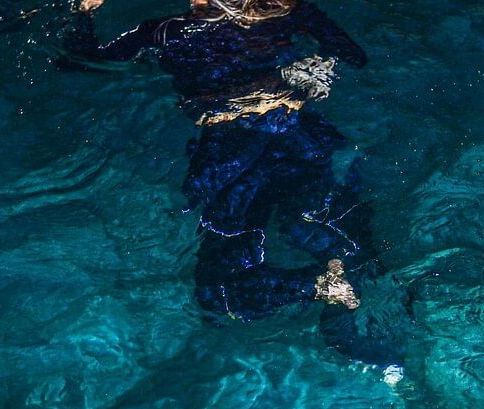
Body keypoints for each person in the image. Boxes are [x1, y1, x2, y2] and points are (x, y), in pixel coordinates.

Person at [60, 0, 407, 369]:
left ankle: (318, 286)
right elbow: (354, 56)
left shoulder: (167, 32)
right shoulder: (290, 12)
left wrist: (82, 13)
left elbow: (78, 61)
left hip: (231, 153)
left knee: (217, 293)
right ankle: (384, 339)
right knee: (342, 239)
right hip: (302, 136)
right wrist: (312, 71)